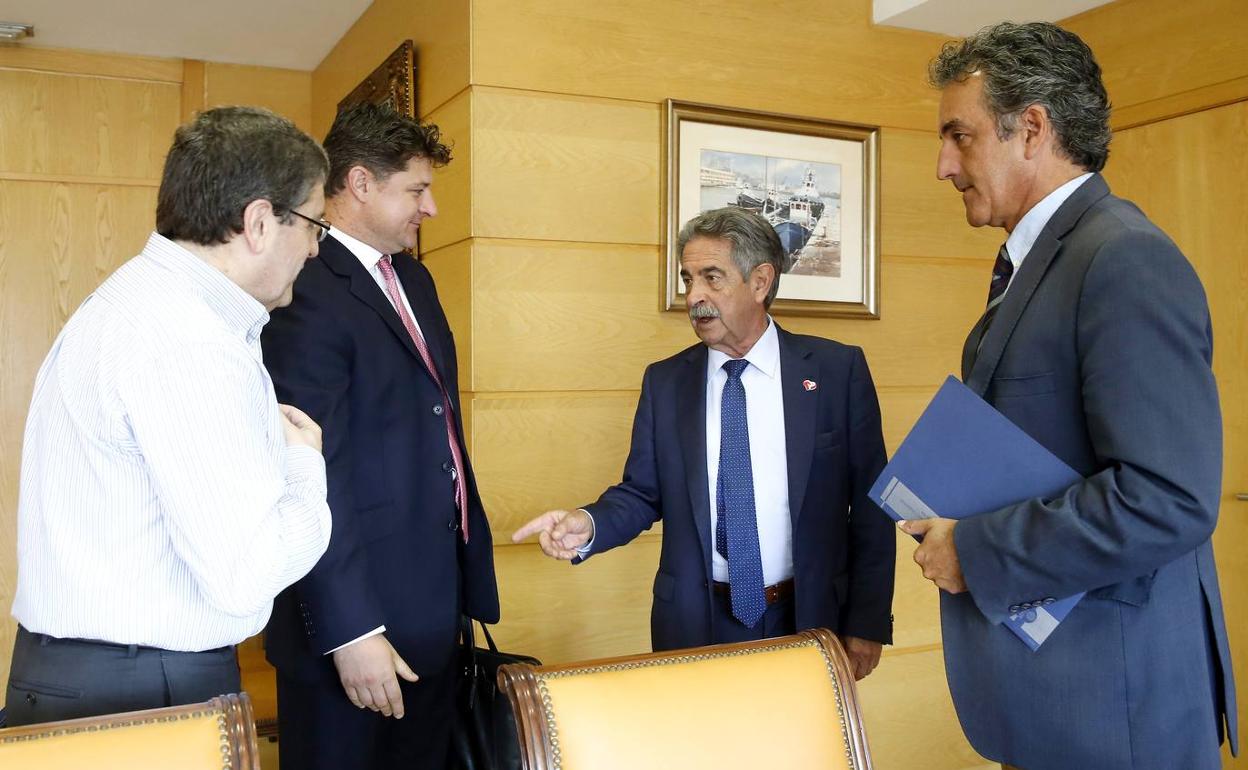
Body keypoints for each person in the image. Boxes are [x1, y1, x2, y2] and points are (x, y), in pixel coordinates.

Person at [902, 21, 1237, 769]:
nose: (941, 164)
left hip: (1115, 707)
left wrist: (977, 551)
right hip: (1056, 699)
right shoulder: (1042, 260)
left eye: (959, 136)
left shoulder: (1124, 260)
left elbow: (1168, 498)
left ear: (1032, 129)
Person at [5, 106, 333, 726]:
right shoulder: (190, 342)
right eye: (315, 225)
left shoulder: (137, 303)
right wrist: (303, 469)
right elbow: (245, 574)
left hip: (94, 678)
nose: (316, 249)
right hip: (143, 690)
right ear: (260, 222)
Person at [513, 207, 894, 677]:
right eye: (688, 279)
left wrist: (867, 622)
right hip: (696, 620)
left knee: (799, 751)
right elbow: (642, 492)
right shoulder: (666, 382)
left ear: (760, 282)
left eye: (712, 278)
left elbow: (873, 507)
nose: (695, 296)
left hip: (809, 616)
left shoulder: (837, 371)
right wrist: (588, 525)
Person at [261, 103, 499, 769]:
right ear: (361, 183)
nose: (431, 210)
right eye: (417, 191)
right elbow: (305, 466)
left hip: (431, 604)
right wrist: (351, 629)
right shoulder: (302, 282)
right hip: (352, 624)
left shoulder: (415, 280)